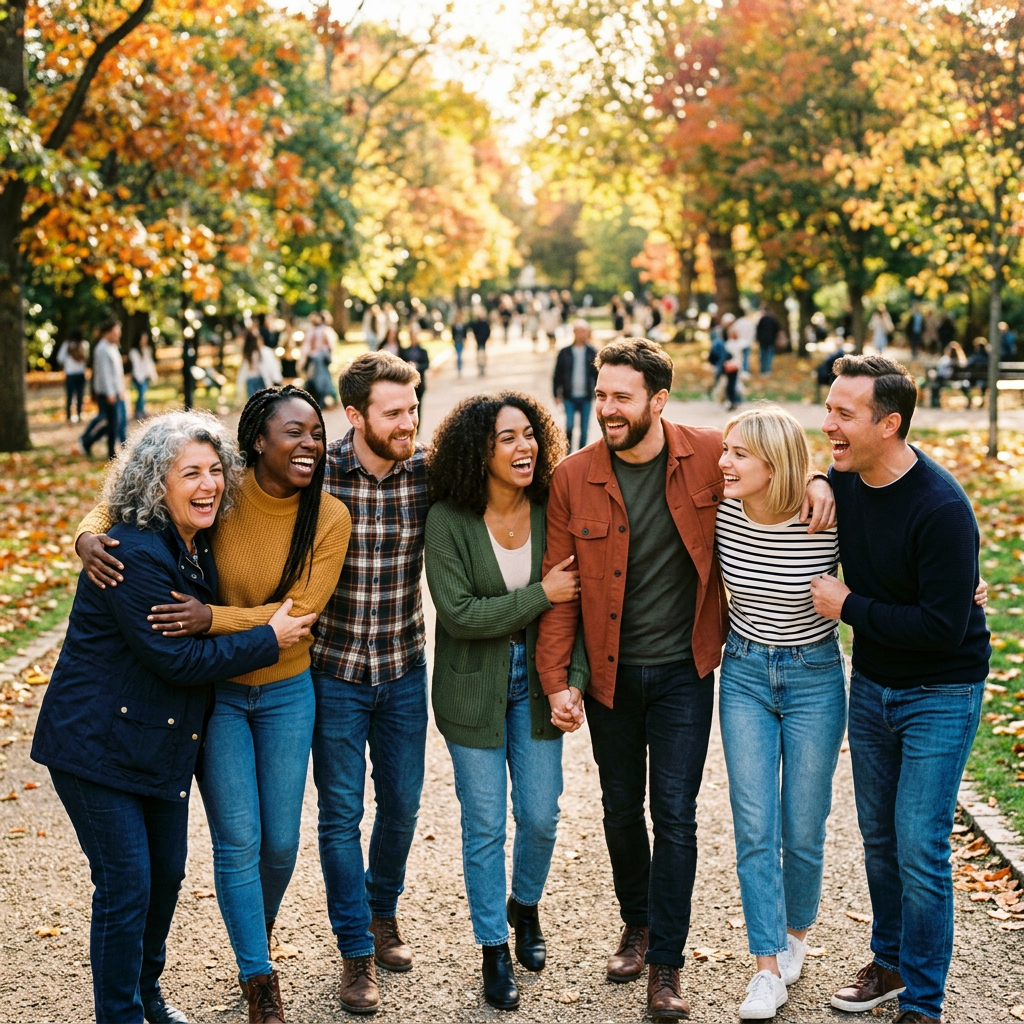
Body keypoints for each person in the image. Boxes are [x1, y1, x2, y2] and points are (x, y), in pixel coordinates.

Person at [536, 338, 834, 1022]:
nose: (607, 409)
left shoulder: (708, 454)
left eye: (621, 397)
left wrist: (823, 482)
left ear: (658, 400)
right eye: (601, 395)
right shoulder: (573, 477)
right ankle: (635, 926)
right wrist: (558, 679)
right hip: (609, 675)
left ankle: (666, 967)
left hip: (685, 673)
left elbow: (780, 461)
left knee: (675, 813)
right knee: (618, 807)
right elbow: (563, 590)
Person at [76, 388, 352, 1024]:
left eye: (317, 432)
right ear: (258, 440)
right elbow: (131, 504)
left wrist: (208, 617)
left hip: (286, 687)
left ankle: (253, 929)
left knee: (280, 844)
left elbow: (299, 615)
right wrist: (84, 536)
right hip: (218, 692)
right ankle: (258, 975)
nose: (311, 443)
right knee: (237, 840)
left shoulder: (328, 516)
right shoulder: (221, 495)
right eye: (295, 432)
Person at [813, 356, 990, 1024]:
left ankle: (923, 1001)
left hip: (940, 691)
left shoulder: (941, 508)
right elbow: (810, 466)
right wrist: (814, 476)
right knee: (880, 838)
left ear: (889, 424)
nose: (829, 423)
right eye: (829, 408)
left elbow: (945, 631)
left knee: (919, 845)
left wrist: (848, 606)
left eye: (844, 414)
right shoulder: (847, 477)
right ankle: (887, 963)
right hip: (875, 686)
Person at [424, 393, 588, 1011]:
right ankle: (493, 946)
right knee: (485, 823)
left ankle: (525, 904)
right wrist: (541, 593)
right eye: (505, 439)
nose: (524, 449)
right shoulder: (447, 520)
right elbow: (461, 615)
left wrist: (571, 680)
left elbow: (579, 606)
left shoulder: (553, 509)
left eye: (529, 435)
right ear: (478, 452)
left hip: (541, 678)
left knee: (542, 815)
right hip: (472, 685)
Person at [715, 406, 844, 1021]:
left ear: (777, 462)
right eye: (725, 450)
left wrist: (965, 587)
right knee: (754, 824)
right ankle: (765, 967)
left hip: (815, 676)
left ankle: (795, 934)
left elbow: (894, 561)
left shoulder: (825, 515)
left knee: (803, 824)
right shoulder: (719, 511)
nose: (725, 463)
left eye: (739, 454)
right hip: (743, 674)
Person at [312, 352, 428, 1015]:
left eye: (412, 408)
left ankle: (382, 908)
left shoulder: (428, 473)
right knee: (339, 817)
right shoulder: (317, 471)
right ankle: (356, 950)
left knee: (405, 803)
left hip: (404, 667)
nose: (408, 422)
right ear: (354, 416)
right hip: (333, 674)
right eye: (393, 412)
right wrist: (89, 535)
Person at [81, 320, 128, 460]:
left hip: (116, 391)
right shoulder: (102, 349)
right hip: (108, 393)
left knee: (116, 423)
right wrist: (110, 393)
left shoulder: (112, 347)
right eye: (115, 333)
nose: (118, 335)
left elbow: (117, 372)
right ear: (107, 333)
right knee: (112, 423)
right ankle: (107, 450)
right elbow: (104, 374)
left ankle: (90, 442)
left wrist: (121, 390)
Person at [553, 320, 598, 451]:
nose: (581, 334)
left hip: (586, 396)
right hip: (569, 396)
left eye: (584, 331)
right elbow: (557, 374)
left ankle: (582, 454)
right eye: (578, 331)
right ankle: (568, 454)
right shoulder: (564, 352)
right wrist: (556, 393)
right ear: (573, 333)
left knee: (584, 430)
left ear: (588, 333)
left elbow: (598, 375)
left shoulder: (592, 352)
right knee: (570, 426)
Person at [301, 314, 337, 408]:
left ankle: (323, 399)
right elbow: (308, 345)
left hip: (320, 359)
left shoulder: (325, 331)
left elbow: (330, 345)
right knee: (314, 379)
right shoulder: (313, 331)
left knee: (321, 380)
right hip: (314, 358)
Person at [58, 328, 89, 423]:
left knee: (70, 395)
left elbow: (60, 358)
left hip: (70, 373)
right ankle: (79, 414)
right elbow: (86, 358)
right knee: (80, 395)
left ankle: (68, 416)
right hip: (80, 373)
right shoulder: (84, 345)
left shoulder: (67, 345)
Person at [129, 330, 160, 420]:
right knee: (141, 393)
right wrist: (138, 376)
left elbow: (149, 363)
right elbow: (136, 365)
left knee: (143, 394)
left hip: (145, 375)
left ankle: (141, 410)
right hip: (138, 376)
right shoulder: (134, 351)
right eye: (143, 339)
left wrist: (153, 374)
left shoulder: (147, 350)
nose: (144, 341)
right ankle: (138, 411)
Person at [929, 341, 966, 409]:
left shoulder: (945, 360)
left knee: (935, 385)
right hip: (959, 381)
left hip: (944, 381)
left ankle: (935, 402)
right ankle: (968, 402)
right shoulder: (962, 361)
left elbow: (940, 372)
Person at [403, 331, 431, 420]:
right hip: (408, 383)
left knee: (419, 404)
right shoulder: (405, 351)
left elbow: (427, 364)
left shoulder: (423, 351)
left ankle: (418, 425)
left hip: (420, 382)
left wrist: (417, 366)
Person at [755, 308, 781, 375]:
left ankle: (763, 370)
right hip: (770, 341)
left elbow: (758, 330)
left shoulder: (762, 320)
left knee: (763, 357)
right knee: (769, 357)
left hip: (762, 341)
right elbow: (777, 330)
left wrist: (758, 339)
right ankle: (768, 370)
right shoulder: (773, 320)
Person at [470, 308, 491, 377]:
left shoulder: (485, 324)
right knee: (479, 356)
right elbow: (473, 330)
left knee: (483, 356)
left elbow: (488, 332)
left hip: (483, 342)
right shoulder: (476, 324)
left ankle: (483, 368)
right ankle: (480, 368)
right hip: (478, 342)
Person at [451, 308, 468, 377]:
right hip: (456, 342)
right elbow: (453, 334)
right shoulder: (454, 326)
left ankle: (460, 367)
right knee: (458, 356)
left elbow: (465, 334)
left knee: (460, 356)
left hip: (461, 342)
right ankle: (459, 368)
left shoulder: (463, 326)